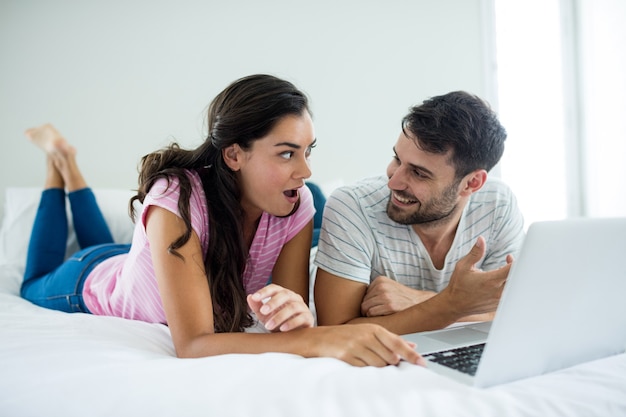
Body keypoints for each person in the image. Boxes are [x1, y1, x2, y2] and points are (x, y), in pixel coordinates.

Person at [21, 74, 424, 367]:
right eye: (287, 153)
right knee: (33, 280)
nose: (305, 171)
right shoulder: (175, 199)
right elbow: (193, 344)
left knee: (115, 248)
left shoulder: (296, 206)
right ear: (234, 156)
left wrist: (295, 316)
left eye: (307, 151)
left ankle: (69, 167)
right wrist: (324, 339)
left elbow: (287, 319)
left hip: (135, 265)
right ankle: (60, 169)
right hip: (88, 282)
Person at [314, 90, 525, 335]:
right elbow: (334, 331)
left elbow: (514, 310)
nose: (393, 182)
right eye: (397, 159)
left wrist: (420, 301)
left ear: (471, 184)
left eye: (419, 173)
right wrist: (452, 304)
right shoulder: (352, 206)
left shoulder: (497, 204)